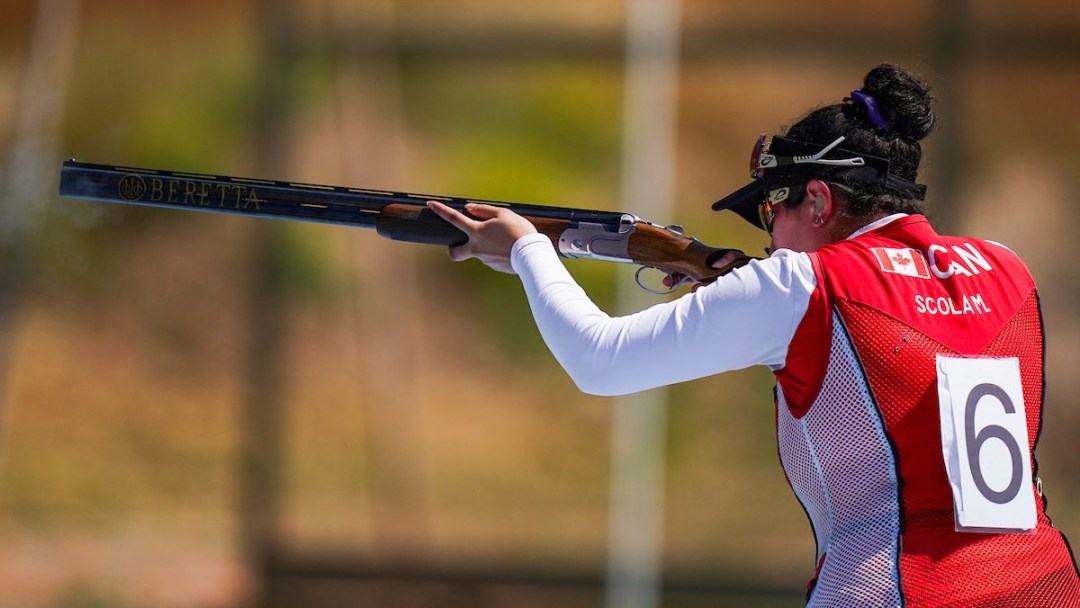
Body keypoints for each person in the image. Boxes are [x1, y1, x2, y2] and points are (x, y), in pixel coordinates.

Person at [427, 63, 1080, 606]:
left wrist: (524, 251)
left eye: (772, 209)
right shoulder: (1005, 266)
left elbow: (598, 360)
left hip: (896, 590)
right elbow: (903, 355)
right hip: (1048, 584)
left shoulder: (801, 284)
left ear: (819, 202)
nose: (767, 237)